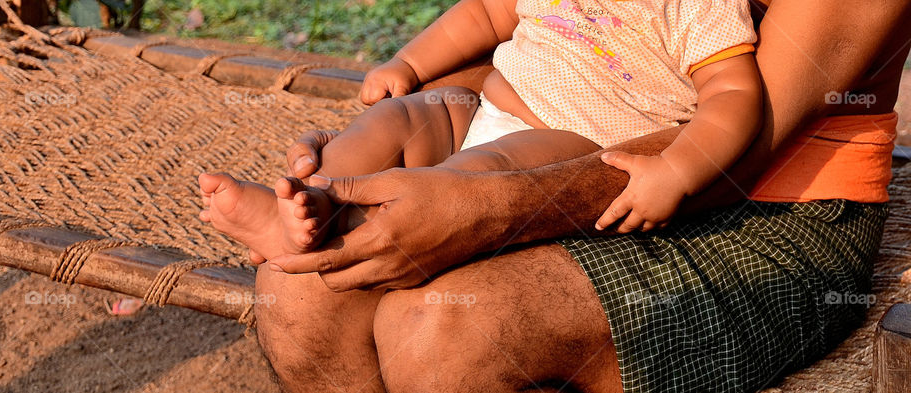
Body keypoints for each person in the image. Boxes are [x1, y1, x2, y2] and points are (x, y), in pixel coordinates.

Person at [246, 0, 910, 392]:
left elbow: (743, 140)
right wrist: (398, 124)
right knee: (300, 290)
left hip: (766, 209)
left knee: (447, 330)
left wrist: (482, 206)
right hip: (566, 142)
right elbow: (561, 41)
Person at [198, 0, 762, 263]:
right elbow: (485, 15)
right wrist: (409, 66)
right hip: (482, 104)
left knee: (472, 179)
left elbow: (734, 94)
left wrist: (679, 170)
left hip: (570, 141)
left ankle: (347, 230)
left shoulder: (704, 5)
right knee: (395, 120)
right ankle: (306, 203)